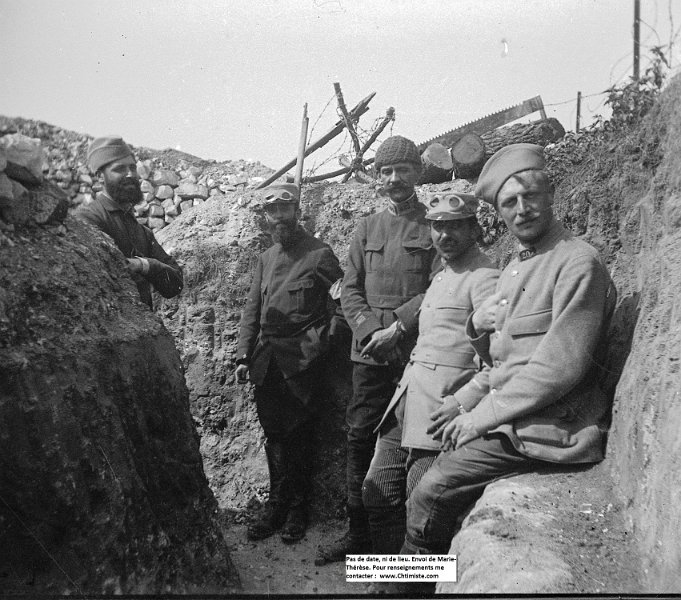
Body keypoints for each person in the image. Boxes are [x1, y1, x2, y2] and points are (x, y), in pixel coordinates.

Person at [399, 143, 617, 577]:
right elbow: (506, 359)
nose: (522, 210)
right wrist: (464, 399)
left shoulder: (577, 263)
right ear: (498, 212)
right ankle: (424, 576)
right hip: (516, 415)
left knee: (430, 489)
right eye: (509, 203)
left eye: (530, 197)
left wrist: (481, 417)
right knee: (418, 470)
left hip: (551, 426)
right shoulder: (520, 265)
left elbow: (559, 368)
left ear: (550, 194)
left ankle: (395, 585)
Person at [316, 136, 438, 565]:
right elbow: (350, 290)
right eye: (386, 171)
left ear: (418, 173)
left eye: (402, 170)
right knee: (359, 436)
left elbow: (438, 287)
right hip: (368, 354)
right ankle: (358, 536)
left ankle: (410, 544)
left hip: (414, 353)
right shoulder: (366, 228)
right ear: (377, 177)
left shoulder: (433, 227)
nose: (394, 179)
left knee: (416, 441)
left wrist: (400, 328)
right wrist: (370, 333)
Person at [361, 190, 500, 554]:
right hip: (406, 400)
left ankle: (411, 587)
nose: (443, 235)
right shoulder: (441, 275)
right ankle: (386, 578)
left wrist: (461, 402)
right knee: (376, 492)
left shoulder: (485, 277)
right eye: (436, 227)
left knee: (418, 503)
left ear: (473, 228)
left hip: (440, 409)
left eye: (454, 226)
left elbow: (499, 362)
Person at [235, 183, 343, 544]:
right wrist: (242, 354)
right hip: (267, 363)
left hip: (301, 364)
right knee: (274, 437)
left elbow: (344, 303)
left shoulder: (319, 254)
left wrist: (319, 343)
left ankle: (298, 510)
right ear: (265, 217)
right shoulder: (265, 258)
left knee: (299, 438)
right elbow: (253, 309)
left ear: (297, 210)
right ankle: (275, 507)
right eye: (272, 212)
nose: (279, 217)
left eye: (285, 209)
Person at [76, 136, 183, 309]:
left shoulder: (141, 232)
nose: (130, 174)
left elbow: (175, 285)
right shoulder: (88, 219)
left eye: (132, 167)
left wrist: (145, 265)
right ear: (99, 176)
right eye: (119, 169)